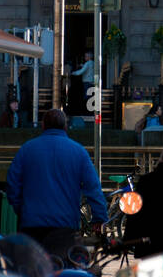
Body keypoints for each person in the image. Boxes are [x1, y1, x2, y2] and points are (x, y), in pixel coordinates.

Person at [6, 109, 108, 259]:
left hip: (32, 227)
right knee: (63, 272)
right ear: (65, 126)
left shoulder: (27, 150)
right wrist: (99, 217)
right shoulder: (79, 152)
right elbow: (93, 188)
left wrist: (21, 210)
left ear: (43, 125)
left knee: (32, 274)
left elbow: (12, 184)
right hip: (65, 227)